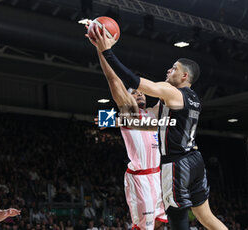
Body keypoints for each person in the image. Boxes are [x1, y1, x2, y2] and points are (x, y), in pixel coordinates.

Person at [86, 24, 228, 230]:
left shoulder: (169, 94)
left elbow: (136, 84)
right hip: (188, 162)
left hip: (175, 165)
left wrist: (107, 50)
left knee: (178, 220)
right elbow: (148, 120)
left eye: (174, 68)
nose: (169, 70)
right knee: (206, 217)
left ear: (185, 76)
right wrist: (114, 120)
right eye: (135, 93)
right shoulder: (191, 99)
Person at [92, 37, 168, 229]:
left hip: (159, 176)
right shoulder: (129, 112)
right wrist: (102, 50)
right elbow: (113, 80)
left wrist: (174, 76)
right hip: (140, 179)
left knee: (160, 224)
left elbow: (168, 95)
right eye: (134, 92)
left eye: (141, 92)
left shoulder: (152, 113)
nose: (139, 93)